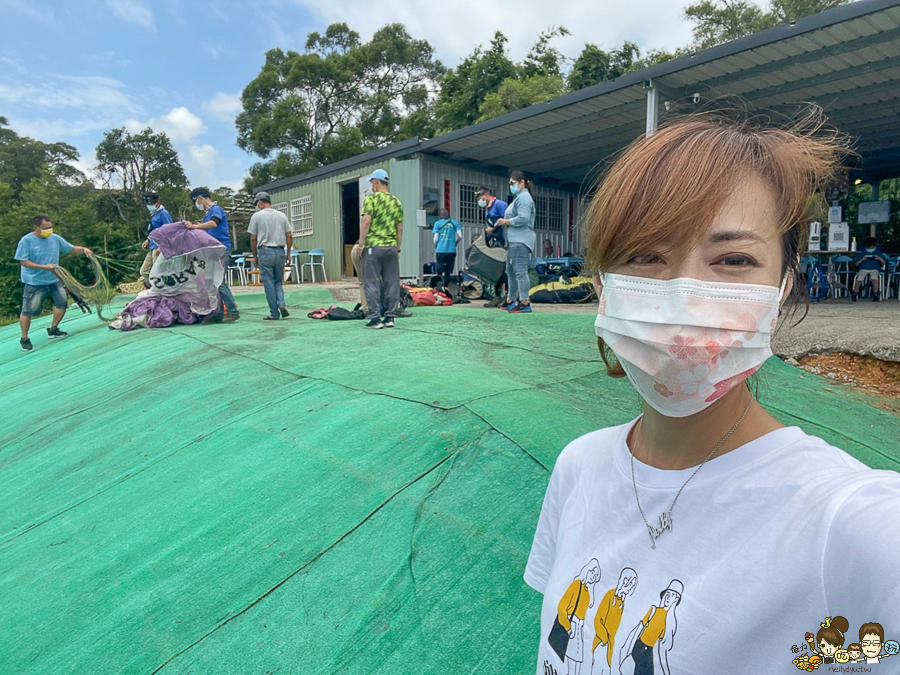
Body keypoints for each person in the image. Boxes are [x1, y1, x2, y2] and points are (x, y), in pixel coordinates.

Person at [523, 110, 900, 674]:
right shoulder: (578, 468)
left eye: (733, 260)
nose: (683, 298)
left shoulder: (849, 526)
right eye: (646, 254)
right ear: (602, 286)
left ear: (782, 287)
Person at [14, 215, 93, 352]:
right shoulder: (26, 241)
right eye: (45, 228)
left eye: (50, 227)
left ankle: (53, 329)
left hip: (54, 279)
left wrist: (83, 249)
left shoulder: (55, 239)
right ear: (36, 227)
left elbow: (70, 248)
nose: (49, 230)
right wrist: (45, 267)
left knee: (62, 302)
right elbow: (23, 261)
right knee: (29, 310)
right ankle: (25, 338)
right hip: (34, 282)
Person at [185, 187, 239, 322]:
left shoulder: (216, 210)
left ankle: (233, 311)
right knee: (211, 282)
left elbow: (214, 223)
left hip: (221, 249)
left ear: (200, 198)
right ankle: (217, 314)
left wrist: (195, 226)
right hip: (211, 251)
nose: (196, 204)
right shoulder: (207, 213)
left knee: (219, 281)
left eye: (196, 201)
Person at [358, 168, 403, 329]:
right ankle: (390, 317)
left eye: (372, 183)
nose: (371, 186)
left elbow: (366, 222)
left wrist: (361, 244)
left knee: (372, 282)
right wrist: (397, 248)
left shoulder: (371, 200)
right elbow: (400, 228)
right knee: (391, 282)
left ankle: (375, 318)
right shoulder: (396, 202)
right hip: (391, 248)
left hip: (373, 247)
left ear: (376, 182)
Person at [493, 170, 536, 313]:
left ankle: (525, 301)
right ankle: (511, 299)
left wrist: (505, 221)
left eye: (513, 183)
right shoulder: (518, 198)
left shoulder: (524, 198)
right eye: (510, 184)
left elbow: (523, 218)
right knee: (510, 271)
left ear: (522, 183)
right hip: (514, 240)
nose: (511, 186)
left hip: (521, 240)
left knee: (520, 272)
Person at [248, 191, 292, 321]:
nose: (257, 205)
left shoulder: (256, 216)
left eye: (257, 203)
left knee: (268, 283)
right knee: (278, 281)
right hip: (279, 251)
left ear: (260, 202)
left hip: (265, 251)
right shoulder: (282, 215)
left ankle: (274, 313)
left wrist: (255, 256)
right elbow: (289, 235)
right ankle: (282, 304)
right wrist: (288, 253)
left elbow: (253, 238)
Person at [476, 186, 510, 307]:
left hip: (503, 242)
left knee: (505, 270)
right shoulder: (487, 209)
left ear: (485, 195)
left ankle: (508, 296)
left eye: (480, 198)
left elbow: (507, 221)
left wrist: (494, 229)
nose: (480, 201)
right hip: (495, 243)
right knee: (494, 269)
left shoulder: (500, 205)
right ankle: (496, 295)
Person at [139, 192, 173, 288]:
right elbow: (155, 230)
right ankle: (153, 288)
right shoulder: (154, 214)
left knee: (157, 272)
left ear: (158, 203)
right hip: (152, 246)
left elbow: (169, 231)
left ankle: (161, 292)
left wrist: (162, 246)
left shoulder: (164, 214)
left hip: (159, 247)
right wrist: (148, 240)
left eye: (151, 204)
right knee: (144, 271)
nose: (149, 206)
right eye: (148, 204)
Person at [850, 236, 887, 301]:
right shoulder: (862, 251)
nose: (871, 248)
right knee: (860, 278)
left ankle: (875, 293)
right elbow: (856, 264)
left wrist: (879, 258)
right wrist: (862, 259)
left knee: (874, 278)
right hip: (863, 268)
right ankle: (855, 292)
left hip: (874, 268)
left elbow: (884, 262)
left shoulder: (878, 251)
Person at [433, 208, 462, 288]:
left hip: (440, 250)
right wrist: (455, 243)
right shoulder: (455, 222)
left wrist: (436, 245)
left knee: (439, 270)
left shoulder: (437, 223)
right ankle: (446, 287)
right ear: (448, 215)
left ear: (440, 215)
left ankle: (439, 286)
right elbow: (460, 236)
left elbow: (435, 239)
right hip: (452, 250)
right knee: (448, 271)